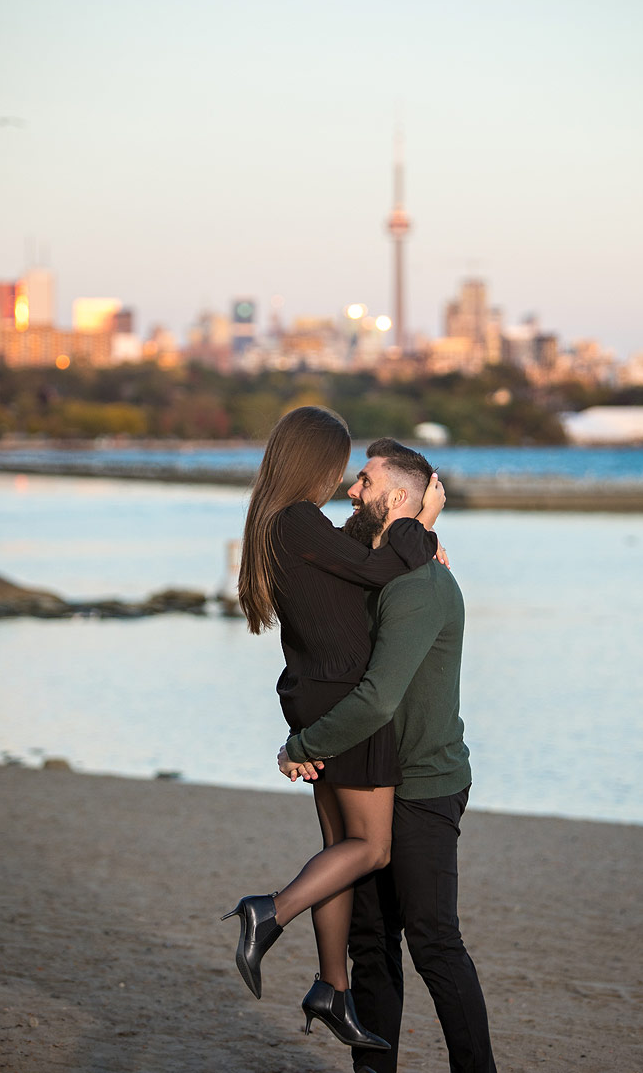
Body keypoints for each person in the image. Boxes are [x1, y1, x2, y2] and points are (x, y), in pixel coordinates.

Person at [223, 406, 446, 1052]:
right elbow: (380, 571)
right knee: (370, 849)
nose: (345, 481)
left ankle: (331, 988)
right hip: (344, 699)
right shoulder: (295, 521)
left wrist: (412, 538)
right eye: (340, 464)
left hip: (313, 694)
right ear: (314, 461)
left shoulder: (287, 525)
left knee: (336, 853)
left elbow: (363, 554)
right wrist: (420, 528)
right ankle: (269, 911)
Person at [279, 437, 499, 1073]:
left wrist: (304, 747)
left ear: (398, 498)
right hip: (370, 779)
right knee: (371, 946)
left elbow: (376, 699)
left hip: (423, 785)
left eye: (365, 481)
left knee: (433, 943)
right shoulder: (369, 574)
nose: (352, 490)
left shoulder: (420, 588)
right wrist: (422, 529)